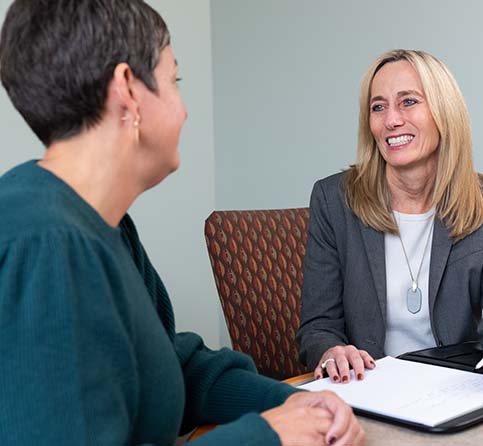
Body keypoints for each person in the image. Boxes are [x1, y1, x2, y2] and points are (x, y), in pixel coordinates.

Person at [0, 1, 364, 445]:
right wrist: (266, 436)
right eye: (175, 81)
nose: (186, 110)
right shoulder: (46, 244)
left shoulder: (104, 226)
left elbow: (171, 368)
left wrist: (293, 401)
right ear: (128, 91)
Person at [297, 49, 483, 388]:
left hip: (455, 388)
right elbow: (317, 326)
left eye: (408, 102)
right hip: (369, 387)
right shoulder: (334, 201)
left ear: (444, 112)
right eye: (378, 107)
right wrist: (331, 350)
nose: (391, 120)